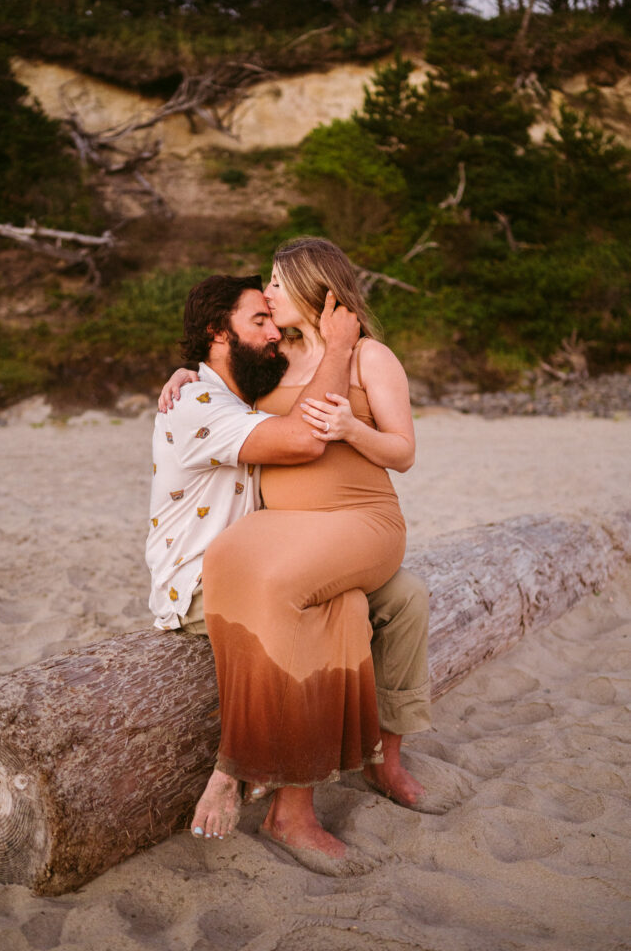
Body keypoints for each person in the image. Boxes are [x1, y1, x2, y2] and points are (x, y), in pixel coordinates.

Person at [149, 242, 430, 873]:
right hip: (289, 534)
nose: (270, 295)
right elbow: (220, 385)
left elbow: (402, 451)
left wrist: (352, 427)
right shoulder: (267, 366)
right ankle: (286, 800)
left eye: (277, 282)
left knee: (402, 598)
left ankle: (365, 759)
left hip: (354, 522)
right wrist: (185, 372)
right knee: (342, 603)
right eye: (265, 293)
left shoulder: (365, 356)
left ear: (314, 288)